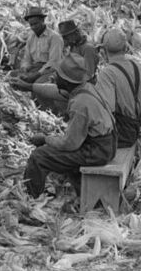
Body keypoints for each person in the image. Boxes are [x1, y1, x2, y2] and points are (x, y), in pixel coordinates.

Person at [23, 54, 116, 198]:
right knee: (58, 153)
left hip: (97, 151)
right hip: (106, 144)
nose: (54, 76)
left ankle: (30, 199)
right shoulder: (86, 87)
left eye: (58, 75)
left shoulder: (80, 104)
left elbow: (70, 144)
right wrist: (29, 87)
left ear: (66, 81)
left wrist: (45, 139)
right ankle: (77, 189)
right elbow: (57, 92)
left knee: (39, 156)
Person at [12, 20, 98, 114]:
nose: (65, 40)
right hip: (71, 82)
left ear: (75, 33)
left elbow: (88, 76)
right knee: (42, 87)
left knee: (46, 89)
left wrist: (65, 82)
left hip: (80, 87)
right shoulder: (74, 46)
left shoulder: (88, 49)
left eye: (66, 37)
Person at [95, 28, 141, 147]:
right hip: (134, 127)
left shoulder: (107, 73)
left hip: (119, 134)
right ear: (125, 48)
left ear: (104, 51)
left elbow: (107, 109)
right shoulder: (135, 64)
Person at [11, 6, 64, 83]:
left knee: (38, 83)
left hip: (51, 70)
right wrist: (25, 68)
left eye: (36, 24)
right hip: (35, 68)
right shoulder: (31, 38)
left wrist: (36, 74)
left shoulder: (54, 37)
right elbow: (27, 59)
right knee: (11, 77)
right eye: (31, 24)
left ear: (42, 20)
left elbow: (54, 62)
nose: (33, 27)